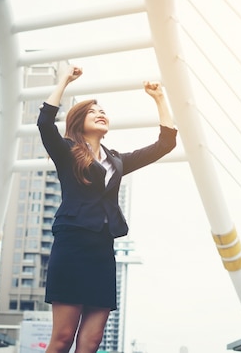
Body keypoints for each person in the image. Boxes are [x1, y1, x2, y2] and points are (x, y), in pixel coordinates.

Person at [37, 63, 177, 353]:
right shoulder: (66, 152)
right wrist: (64, 81)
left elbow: (165, 144)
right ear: (78, 122)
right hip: (72, 245)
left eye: (103, 111)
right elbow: (44, 124)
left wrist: (159, 98)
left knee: (91, 341)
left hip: (102, 250)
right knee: (63, 337)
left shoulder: (117, 161)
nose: (101, 114)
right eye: (92, 111)